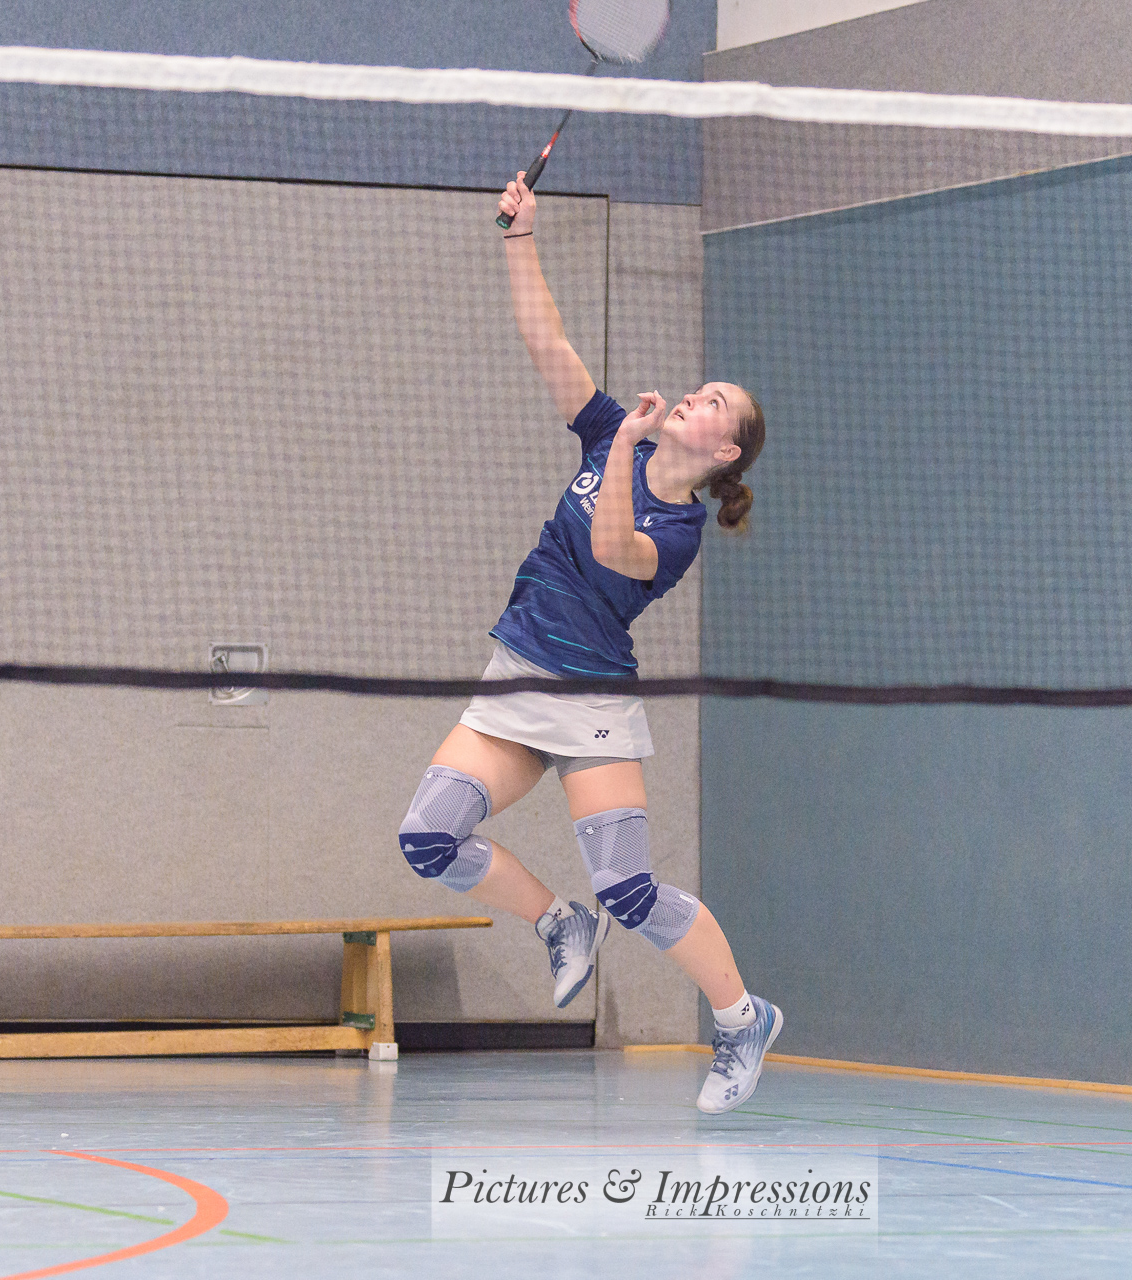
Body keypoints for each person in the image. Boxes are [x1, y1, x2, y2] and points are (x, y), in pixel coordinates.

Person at [395, 173, 779, 1114]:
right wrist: (519, 236)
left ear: (725, 450)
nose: (695, 396)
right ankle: (556, 922)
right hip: (516, 673)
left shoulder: (678, 527)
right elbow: (546, 339)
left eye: (714, 402)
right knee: (428, 838)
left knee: (630, 890)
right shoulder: (617, 431)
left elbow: (612, 548)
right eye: (699, 389)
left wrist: (615, 450)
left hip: (591, 702)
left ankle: (741, 1019)